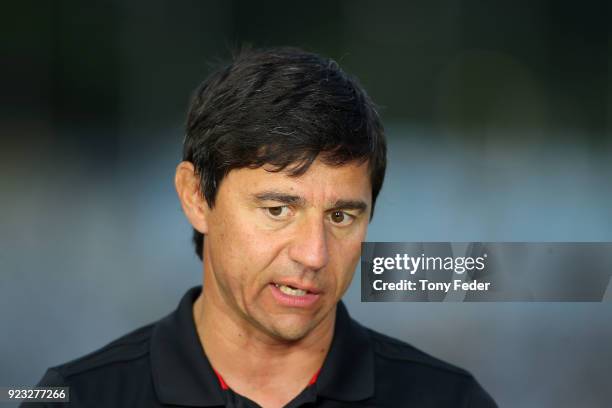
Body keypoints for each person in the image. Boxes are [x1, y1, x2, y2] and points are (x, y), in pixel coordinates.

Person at [27, 47, 497, 407]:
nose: (314, 254)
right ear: (196, 197)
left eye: (341, 216)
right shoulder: (78, 397)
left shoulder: (449, 400)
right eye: (278, 210)